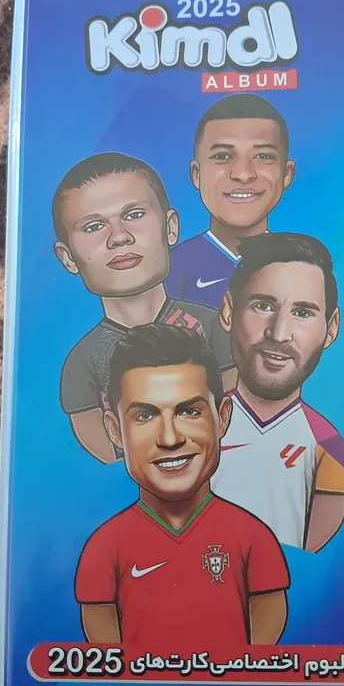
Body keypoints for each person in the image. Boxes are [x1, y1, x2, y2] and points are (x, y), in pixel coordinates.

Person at [74, 324, 290, 652]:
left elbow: (267, 616)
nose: (170, 438)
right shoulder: (104, 547)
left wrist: (238, 673)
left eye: (189, 411)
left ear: (222, 417)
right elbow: (104, 641)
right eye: (145, 416)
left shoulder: (251, 537)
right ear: (115, 431)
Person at [52, 152, 235, 462]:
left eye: (134, 214)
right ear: (68, 257)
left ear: (170, 228)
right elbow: (109, 461)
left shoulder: (214, 328)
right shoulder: (82, 364)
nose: (119, 237)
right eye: (94, 226)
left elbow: (232, 427)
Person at [212, 232, 344, 552]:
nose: (279, 334)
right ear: (228, 311)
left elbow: (310, 552)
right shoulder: (192, 427)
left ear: (331, 328)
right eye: (263, 306)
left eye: (302, 312)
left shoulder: (328, 446)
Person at [166, 94, 295, 309]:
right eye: (222, 156)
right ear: (196, 174)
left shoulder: (302, 269)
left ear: (287, 174)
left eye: (263, 156)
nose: (243, 174)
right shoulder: (170, 269)